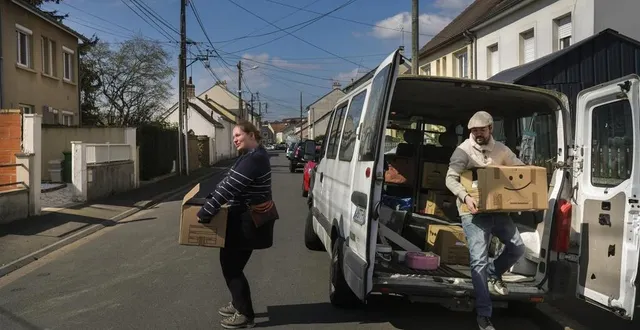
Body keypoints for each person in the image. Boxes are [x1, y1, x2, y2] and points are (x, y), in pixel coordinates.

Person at [445, 111, 526, 330]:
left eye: (482, 130)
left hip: (498, 210)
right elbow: (450, 179)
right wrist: (466, 197)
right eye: (474, 131)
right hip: (472, 212)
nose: (478, 134)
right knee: (478, 260)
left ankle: (493, 272)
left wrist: (530, 178)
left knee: (518, 248)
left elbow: (519, 168)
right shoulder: (463, 150)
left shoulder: (501, 149)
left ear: (491, 128)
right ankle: (483, 314)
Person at [196, 120, 276, 329]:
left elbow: (229, 188)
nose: (234, 140)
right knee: (232, 264)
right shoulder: (251, 156)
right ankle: (238, 302)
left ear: (251, 135)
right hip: (242, 218)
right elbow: (227, 180)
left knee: (231, 267)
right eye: (233, 137)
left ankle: (245, 314)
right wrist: (211, 197)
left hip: (246, 221)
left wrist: (206, 211)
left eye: (238, 135)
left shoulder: (254, 159)